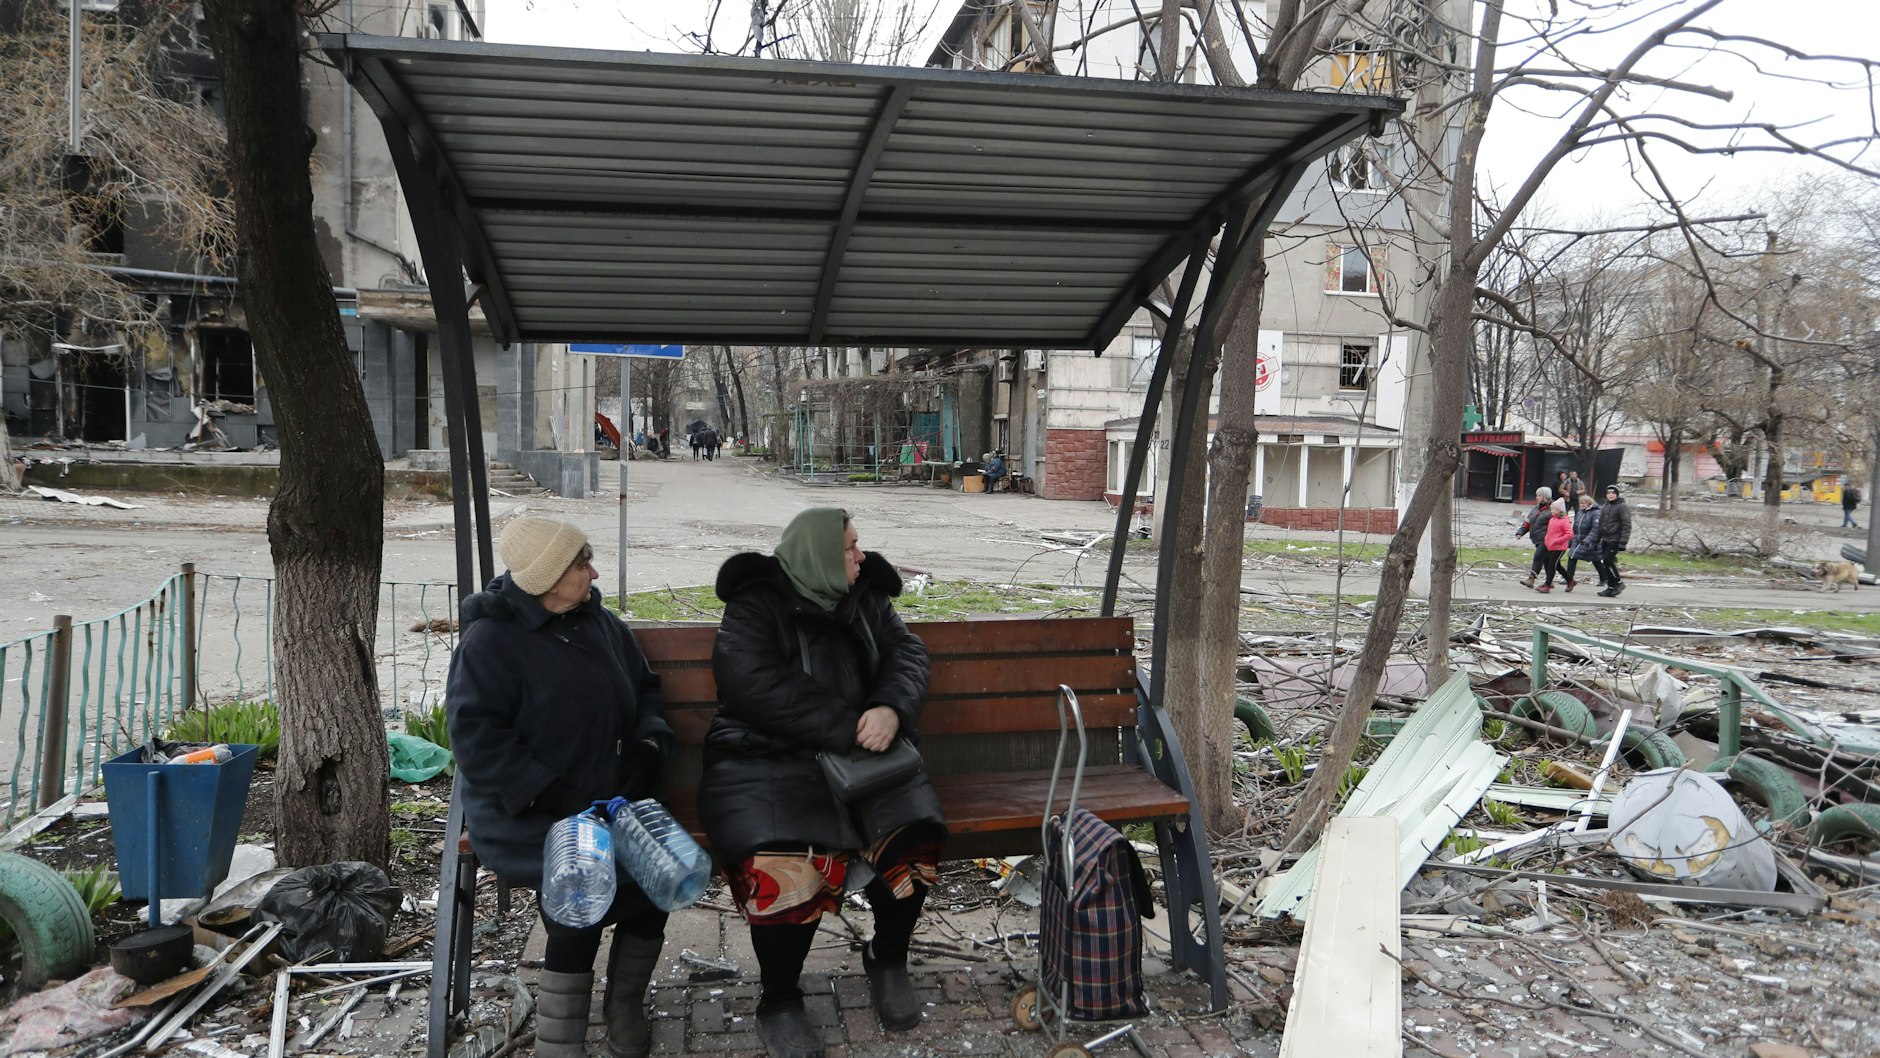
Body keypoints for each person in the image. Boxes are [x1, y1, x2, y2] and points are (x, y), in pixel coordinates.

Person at [701, 508, 946, 1058]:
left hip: (868, 761)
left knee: (912, 836)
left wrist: (889, 708)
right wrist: (848, 726)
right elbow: (750, 681)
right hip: (764, 759)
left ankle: (887, 958)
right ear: (816, 555)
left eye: (859, 546)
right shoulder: (756, 602)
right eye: (850, 548)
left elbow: (907, 653)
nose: (861, 556)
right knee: (785, 859)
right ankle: (780, 998)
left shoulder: (868, 599)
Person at [445, 517, 677, 1058]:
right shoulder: (491, 643)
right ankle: (559, 1041)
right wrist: (557, 798)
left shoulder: (597, 622)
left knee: (655, 882)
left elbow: (645, 691)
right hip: (529, 810)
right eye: (581, 564)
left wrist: (647, 747)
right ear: (548, 577)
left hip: (604, 799)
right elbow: (478, 742)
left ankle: (623, 1006)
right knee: (581, 894)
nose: (593, 573)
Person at [1595, 484, 1632, 597]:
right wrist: (1596, 539)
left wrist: (1623, 542)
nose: (1610, 495)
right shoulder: (1606, 506)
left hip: (1615, 539)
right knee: (1605, 563)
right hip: (1605, 538)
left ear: (1617, 494)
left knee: (1608, 560)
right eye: (1608, 493)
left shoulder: (1622, 506)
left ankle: (1618, 583)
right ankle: (1611, 586)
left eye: (1613, 493)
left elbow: (1626, 525)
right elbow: (1600, 524)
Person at [1562, 493, 1604, 592]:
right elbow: (1576, 527)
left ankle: (1604, 578)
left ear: (1589, 503)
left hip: (1589, 541)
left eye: (1584, 503)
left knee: (1596, 560)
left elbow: (1596, 528)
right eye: (1580, 503)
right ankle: (1569, 578)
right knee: (1572, 557)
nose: (1582, 505)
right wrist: (1571, 539)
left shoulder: (1595, 513)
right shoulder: (1580, 513)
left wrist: (1589, 539)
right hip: (1578, 539)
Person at [1517, 486, 1554, 588]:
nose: (1537, 497)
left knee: (1538, 557)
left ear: (1545, 496)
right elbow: (1528, 522)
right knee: (1547, 561)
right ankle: (1552, 581)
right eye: (1537, 495)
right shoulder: (1536, 508)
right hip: (1537, 538)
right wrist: (1520, 532)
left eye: (1539, 495)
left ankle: (1531, 579)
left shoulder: (1553, 508)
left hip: (1547, 539)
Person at [1538, 498, 1573, 592]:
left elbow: (1569, 534)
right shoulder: (1552, 519)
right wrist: (1547, 540)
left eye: (1553, 509)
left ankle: (1547, 585)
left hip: (1559, 547)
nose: (1551, 511)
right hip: (1550, 545)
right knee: (1556, 565)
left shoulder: (1564, 521)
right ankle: (1570, 580)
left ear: (1559, 511)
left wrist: (1557, 541)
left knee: (1552, 565)